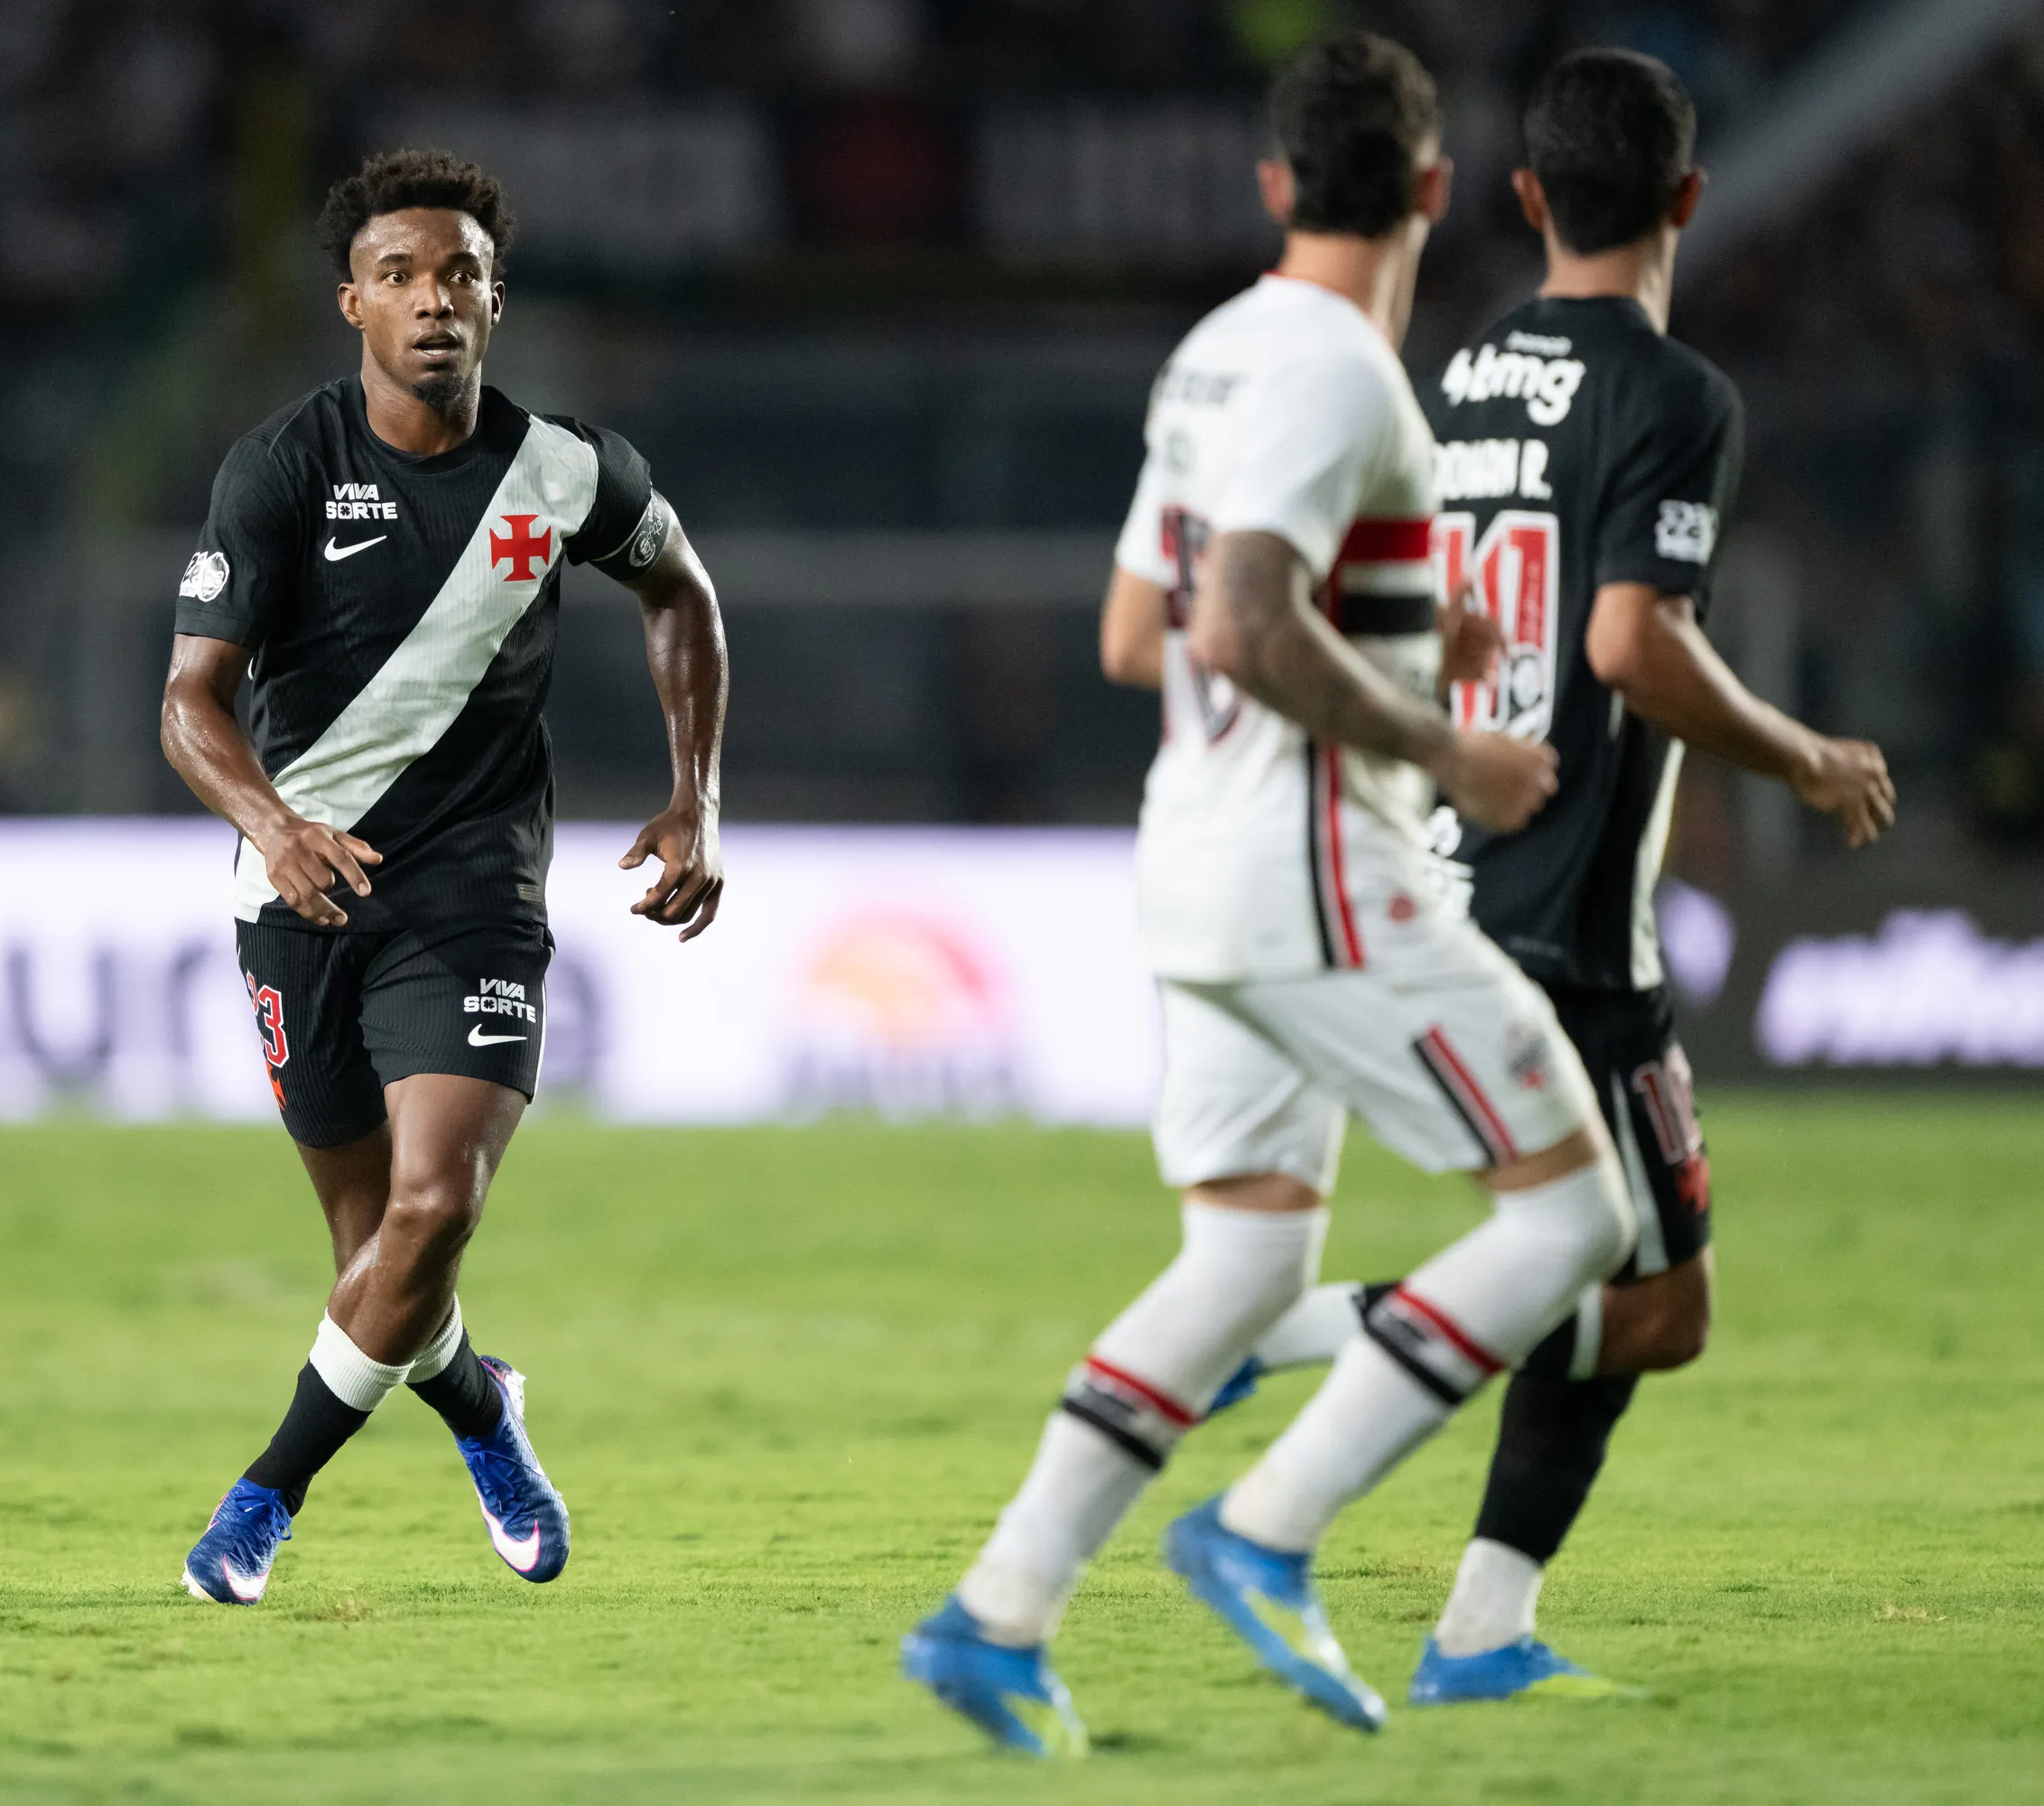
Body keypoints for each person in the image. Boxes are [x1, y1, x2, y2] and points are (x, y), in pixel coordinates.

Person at [903, 32, 1636, 1750]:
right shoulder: (1338, 372)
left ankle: (999, 1612)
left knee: (1242, 1267)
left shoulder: (1214, 358)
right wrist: (1446, 747)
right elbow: (1234, 622)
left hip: (1196, 867)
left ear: (1272, 186)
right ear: (1438, 195)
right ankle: (1268, 1523)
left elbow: (1133, 631)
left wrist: (1392, 627)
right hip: (1322, 871)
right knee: (1572, 1216)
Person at [1216, 48, 1896, 1703]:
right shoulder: (1676, 397)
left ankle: (1480, 1629)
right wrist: (1804, 758)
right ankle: (1299, 1353)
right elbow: (1629, 645)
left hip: (1452, 872)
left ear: (1524, 200)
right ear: (1687, 199)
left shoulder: (1454, 377)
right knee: (1655, 1308)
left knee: (1595, 1271)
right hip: (1570, 923)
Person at [157, 148, 729, 1606]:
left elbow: (680, 587)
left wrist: (694, 795)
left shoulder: (564, 474)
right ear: (352, 302)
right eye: (401, 276)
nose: (433, 301)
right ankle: (485, 1410)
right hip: (304, 901)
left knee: (430, 1215)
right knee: (377, 1262)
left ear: (495, 301)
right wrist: (277, 827)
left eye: (460, 275)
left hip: (476, 897)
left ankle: (257, 1503)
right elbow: (189, 704)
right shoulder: (282, 468)